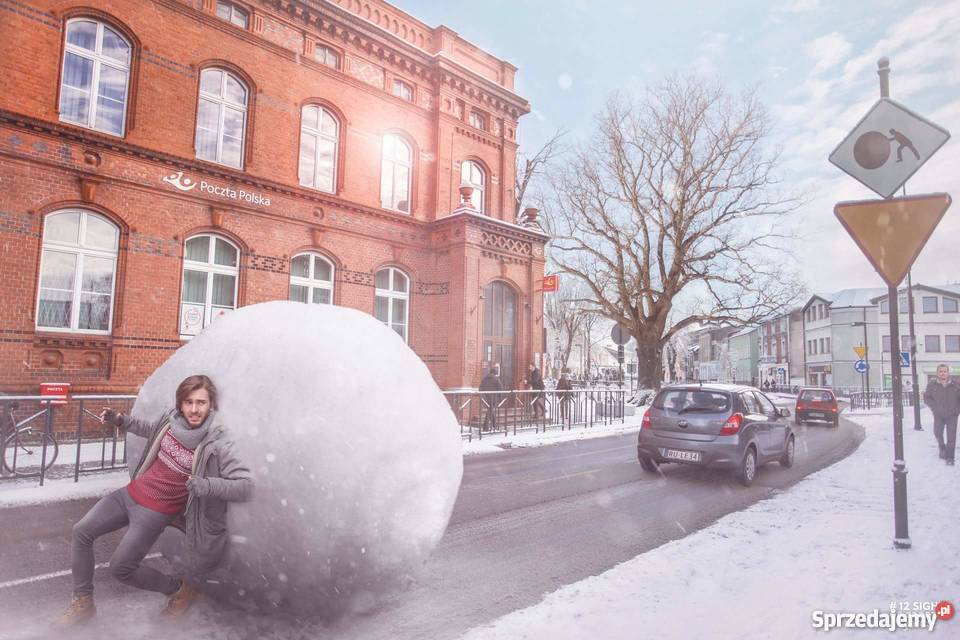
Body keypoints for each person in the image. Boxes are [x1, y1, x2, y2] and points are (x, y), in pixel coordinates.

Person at [53, 375, 254, 627]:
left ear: (211, 405)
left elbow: (245, 486)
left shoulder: (217, 442)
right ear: (180, 404)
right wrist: (121, 421)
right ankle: (83, 602)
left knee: (121, 568)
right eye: (188, 402)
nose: (194, 409)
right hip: (130, 494)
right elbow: (150, 430)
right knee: (82, 531)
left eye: (201, 403)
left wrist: (206, 485)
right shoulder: (171, 423)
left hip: (155, 511)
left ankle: (180, 589)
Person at [923, 364, 960, 465]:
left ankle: (950, 458)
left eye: (945, 371)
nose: (943, 373)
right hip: (939, 415)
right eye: (940, 371)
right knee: (937, 432)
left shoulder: (956, 384)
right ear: (937, 373)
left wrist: (957, 410)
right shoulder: (932, 384)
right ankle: (942, 447)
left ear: (948, 373)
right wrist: (934, 408)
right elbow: (926, 398)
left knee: (951, 437)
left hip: (952, 415)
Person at [479, 366, 503, 432]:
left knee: (490, 411)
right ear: (495, 373)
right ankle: (485, 427)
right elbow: (500, 388)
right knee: (490, 411)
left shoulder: (484, 379)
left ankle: (494, 425)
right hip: (494, 398)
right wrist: (500, 398)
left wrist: (483, 396)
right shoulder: (496, 379)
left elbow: (480, 388)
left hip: (486, 398)